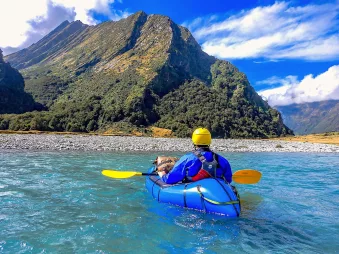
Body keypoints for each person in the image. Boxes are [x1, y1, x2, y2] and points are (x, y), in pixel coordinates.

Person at [158, 128, 232, 184]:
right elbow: (228, 180)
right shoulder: (222, 160)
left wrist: (163, 175)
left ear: (194, 142)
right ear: (209, 141)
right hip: (217, 190)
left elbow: (171, 179)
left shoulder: (188, 158)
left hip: (194, 190)